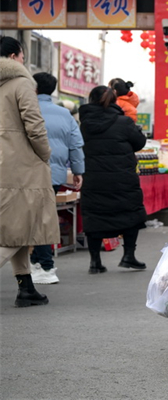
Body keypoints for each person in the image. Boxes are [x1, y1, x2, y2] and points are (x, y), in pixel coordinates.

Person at [0, 37, 57, 307]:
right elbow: (34, 126)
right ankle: (26, 287)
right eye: (23, 56)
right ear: (14, 57)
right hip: (21, 167)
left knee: (16, 227)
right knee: (18, 229)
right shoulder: (21, 84)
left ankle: (26, 287)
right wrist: (45, 154)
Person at [79, 85, 148, 274]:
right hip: (122, 178)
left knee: (94, 216)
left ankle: (95, 261)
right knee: (130, 215)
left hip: (93, 178)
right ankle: (128, 256)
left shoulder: (84, 124)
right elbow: (140, 142)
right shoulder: (123, 122)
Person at [30, 72, 85, 285]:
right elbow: (76, 145)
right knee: (43, 216)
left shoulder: (25, 109)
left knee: (36, 219)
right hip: (54, 174)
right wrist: (78, 171)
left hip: (27, 173)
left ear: (33, 88)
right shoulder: (64, 114)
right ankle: (38, 262)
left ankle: (45, 265)